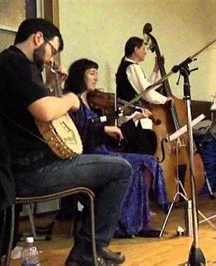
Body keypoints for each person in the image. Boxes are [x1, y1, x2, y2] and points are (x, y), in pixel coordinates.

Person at [0, 18, 131, 265]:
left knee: (108, 168)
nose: (50, 59)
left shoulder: (6, 65)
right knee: (121, 170)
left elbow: (43, 117)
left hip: (11, 171)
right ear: (37, 38)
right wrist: (70, 98)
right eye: (52, 51)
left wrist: (54, 82)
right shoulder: (17, 65)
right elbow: (46, 112)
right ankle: (89, 251)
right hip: (32, 170)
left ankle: (92, 248)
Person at [64, 58, 169, 238]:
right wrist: (104, 128)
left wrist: (133, 120)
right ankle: (124, 223)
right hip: (88, 156)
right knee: (132, 166)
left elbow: (112, 136)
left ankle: (140, 221)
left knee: (147, 161)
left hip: (103, 151)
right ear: (79, 75)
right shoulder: (71, 102)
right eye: (91, 73)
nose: (96, 78)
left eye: (96, 73)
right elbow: (78, 132)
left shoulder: (93, 105)